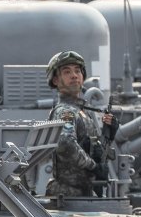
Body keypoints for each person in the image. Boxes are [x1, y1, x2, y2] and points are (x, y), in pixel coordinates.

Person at [45, 51, 116, 197]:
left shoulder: (83, 112)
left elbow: (92, 148)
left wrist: (109, 134)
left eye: (77, 71)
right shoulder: (65, 111)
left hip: (84, 195)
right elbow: (65, 144)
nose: (74, 75)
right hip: (68, 196)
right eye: (67, 72)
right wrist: (94, 166)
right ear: (55, 80)